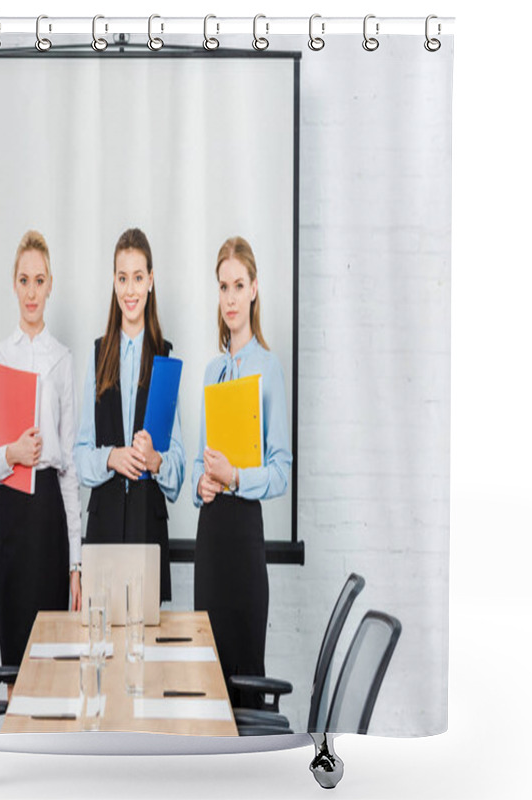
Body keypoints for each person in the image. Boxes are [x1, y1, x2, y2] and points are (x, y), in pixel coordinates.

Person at [0, 230, 82, 670]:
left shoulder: (63, 360)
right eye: (23, 280)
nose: (31, 291)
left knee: (53, 668)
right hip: (13, 517)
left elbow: (69, 467)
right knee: (17, 668)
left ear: (50, 285)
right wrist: (11, 454)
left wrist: (76, 562)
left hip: (51, 516)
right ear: (13, 285)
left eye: (39, 280)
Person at [192, 236, 292, 704]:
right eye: (222, 287)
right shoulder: (212, 372)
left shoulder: (268, 369)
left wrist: (235, 477)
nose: (230, 298)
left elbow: (281, 471)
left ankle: (249, 772)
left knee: (245, 675)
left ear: (254, 289)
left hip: (244, 538)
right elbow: (198, 460)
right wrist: (202, 483)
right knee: (208, 676)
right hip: (210, 535)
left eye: (238, 285)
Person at [75, 228, 185, 603]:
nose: (130, 290)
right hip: (103, 530)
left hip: (147, 534)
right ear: (114, 282)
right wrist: (111, 457)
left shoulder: (165, 359)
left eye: (138, 278)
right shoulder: (97, 354)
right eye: (123, 278)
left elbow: (178, 471)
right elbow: (79, 455)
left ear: (151, 281)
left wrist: (155, 461)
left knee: (145, 654)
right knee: (102, 649)